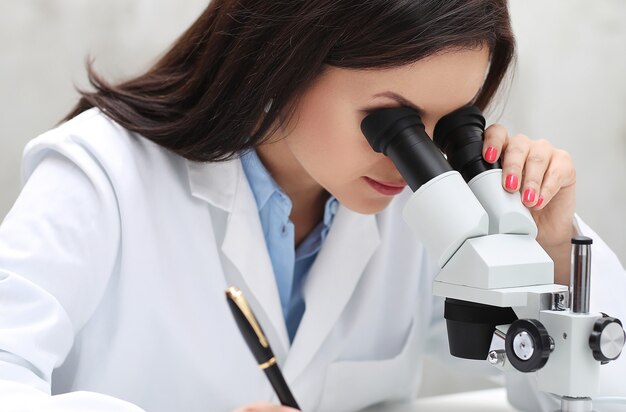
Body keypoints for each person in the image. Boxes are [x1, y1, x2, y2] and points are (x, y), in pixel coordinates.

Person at [0, 1, 624, 411]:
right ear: (285, 59)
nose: (416, 163)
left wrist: (552, 258)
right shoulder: (100, 175)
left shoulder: (429, 211)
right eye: (392, 124)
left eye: (450, 126)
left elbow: (587, 394)